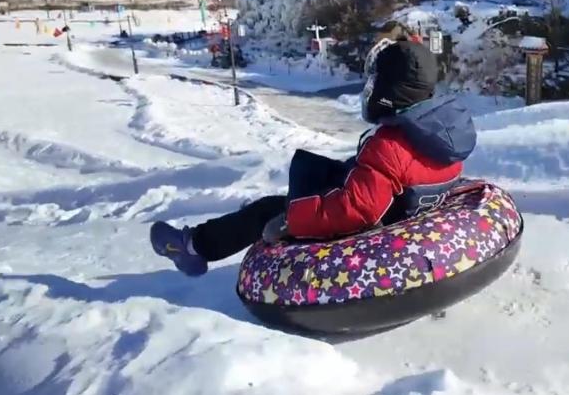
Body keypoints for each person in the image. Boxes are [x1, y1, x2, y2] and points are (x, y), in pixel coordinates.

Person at [150, 38, 476, 276]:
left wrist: (290, 220)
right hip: (394, 207)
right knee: (316, 172)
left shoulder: (390, 145)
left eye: (376, 82)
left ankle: (191, 246)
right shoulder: (439, 134)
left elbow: (356, 210)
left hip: (367, 229)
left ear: (391, 91)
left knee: (266, 210)